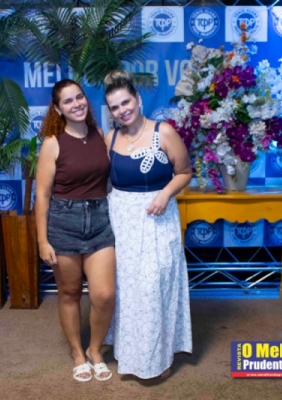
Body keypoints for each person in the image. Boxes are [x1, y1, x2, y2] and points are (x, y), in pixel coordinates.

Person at [103, 70, 193, 380]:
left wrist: (165, 194)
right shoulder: (110, 138)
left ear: (138, 99)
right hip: (122, 224)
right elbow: (105, 183)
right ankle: (129, 352)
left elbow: (184, 172)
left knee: (155, 287)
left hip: (157, 220)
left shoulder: (163, 132)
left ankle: (159, 357)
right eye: (115, 107)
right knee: (128, 289)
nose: (122, 110)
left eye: (126, 102)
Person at [35, 79, 116, 382]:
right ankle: (77, 353)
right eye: (68, 101)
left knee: (104, 294)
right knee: (69, 293)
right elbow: (42, 196)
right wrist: (42, 241)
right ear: (58, 109)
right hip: (63, 223)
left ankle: (95, 349)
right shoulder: (52, 143)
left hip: (100, 221)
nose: (76, 104)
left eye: (79, 97)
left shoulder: (100, 135)